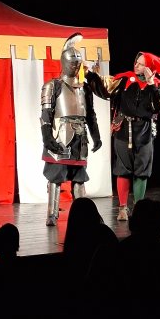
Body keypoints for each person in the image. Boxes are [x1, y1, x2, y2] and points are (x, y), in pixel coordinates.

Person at [85, 50, 160, 220]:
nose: (136, 65)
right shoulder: (125, 79)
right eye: (136, 62)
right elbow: (105, 87)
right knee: (122, 169)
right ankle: (123, 208)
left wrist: (151, 84)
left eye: (141, 64)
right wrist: (90, 74)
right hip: (123, 129)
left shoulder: (158, 86)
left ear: (149, 67)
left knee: (141, 171)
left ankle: (139, 208)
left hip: (144, 132)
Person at [40, 33, 102, 226]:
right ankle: (52, 214)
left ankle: (83, 215)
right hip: (60, 135)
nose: (75, 66)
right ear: (64, 62)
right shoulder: (53, 86)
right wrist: (47, 137)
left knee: (79, 178)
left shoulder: (85, 88)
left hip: (80, 137)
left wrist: (96, 135)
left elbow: (90, 114)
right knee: (56, 176)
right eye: (72, 63)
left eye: (78, 63)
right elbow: (46, 114)